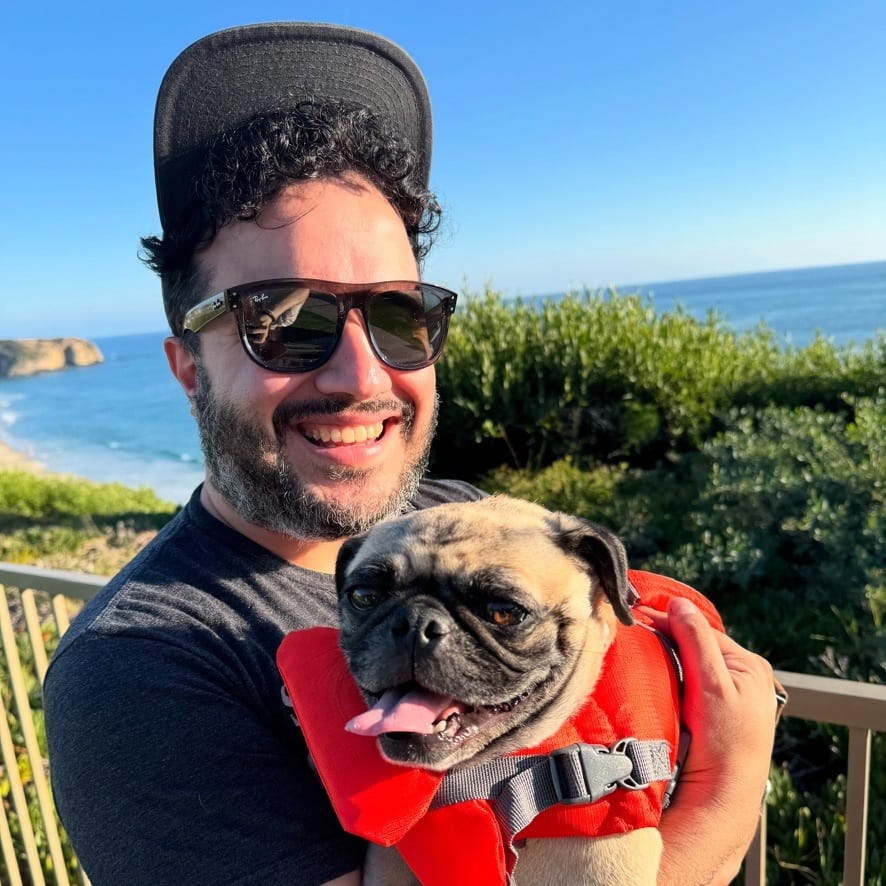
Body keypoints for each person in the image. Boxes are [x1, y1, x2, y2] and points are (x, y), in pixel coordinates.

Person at [43, 22, 780, 885]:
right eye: (283, 321)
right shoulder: (141, 672)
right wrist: (727, 791)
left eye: (399, 316)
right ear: (185, 365)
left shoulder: (452, 515)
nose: (362, 374)